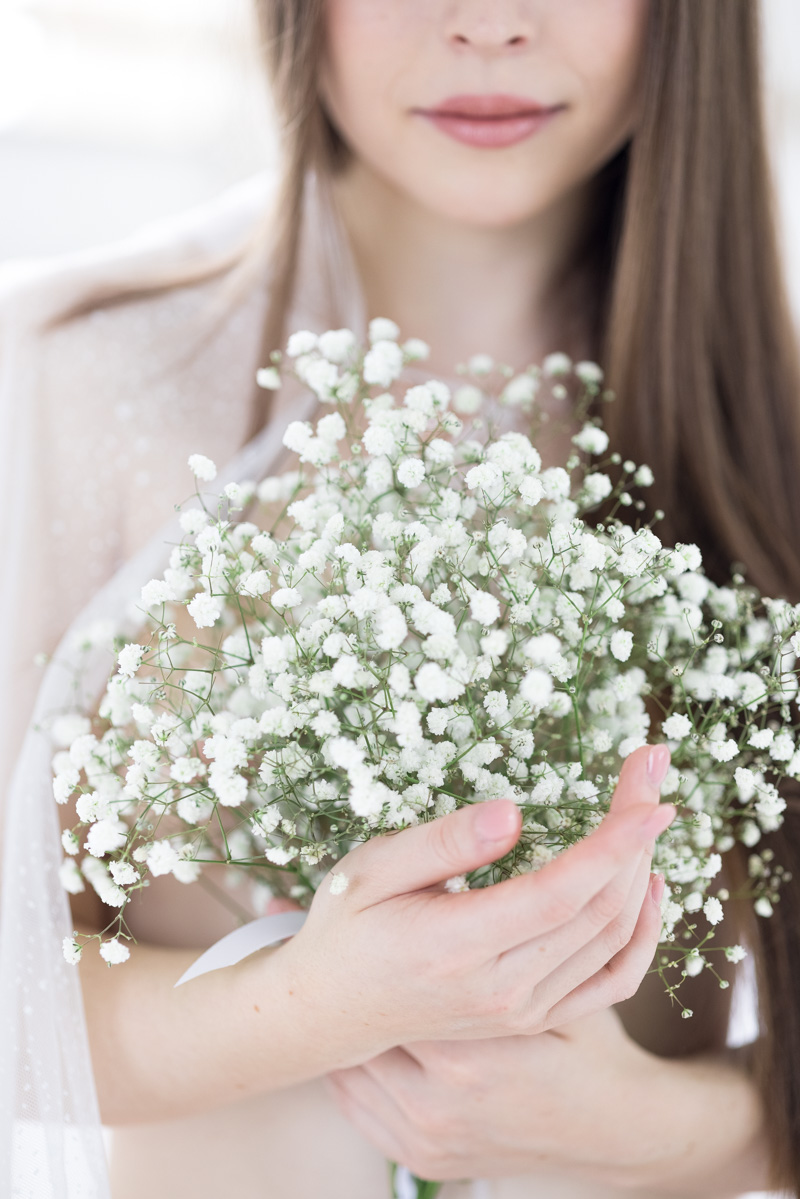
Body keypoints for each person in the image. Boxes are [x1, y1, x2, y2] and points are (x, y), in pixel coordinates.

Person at [1, 1, 797, 1196]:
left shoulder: (772, 436)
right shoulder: (70, 376)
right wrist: (308, 1003)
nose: (486, 24)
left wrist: (653, 1125)